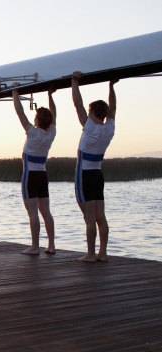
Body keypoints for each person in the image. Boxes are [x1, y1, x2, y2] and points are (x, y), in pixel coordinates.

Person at [71, 71, 119, 262]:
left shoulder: (89, 127)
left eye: (89, 112)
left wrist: (74, 81)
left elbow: (77, 104)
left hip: (84, 175)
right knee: (101, 217)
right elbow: (113, 108)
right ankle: (103, 253)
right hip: (98, 175)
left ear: (91, 113)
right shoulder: (109, 130)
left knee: (89, 218)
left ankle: (91, 254)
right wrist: (111, 86)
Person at [11, 83, 57, 255]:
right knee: (46, 212)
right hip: (42, 176)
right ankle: (51, 246)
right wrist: (50, 95)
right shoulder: (52, 133)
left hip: (30, 176)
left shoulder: (32, 132)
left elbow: (20, 112)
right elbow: (54, 116)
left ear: (37, 121)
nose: (34, 119)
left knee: (33, 213)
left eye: (36, 117)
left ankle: (35, 247)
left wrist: (15, 92)